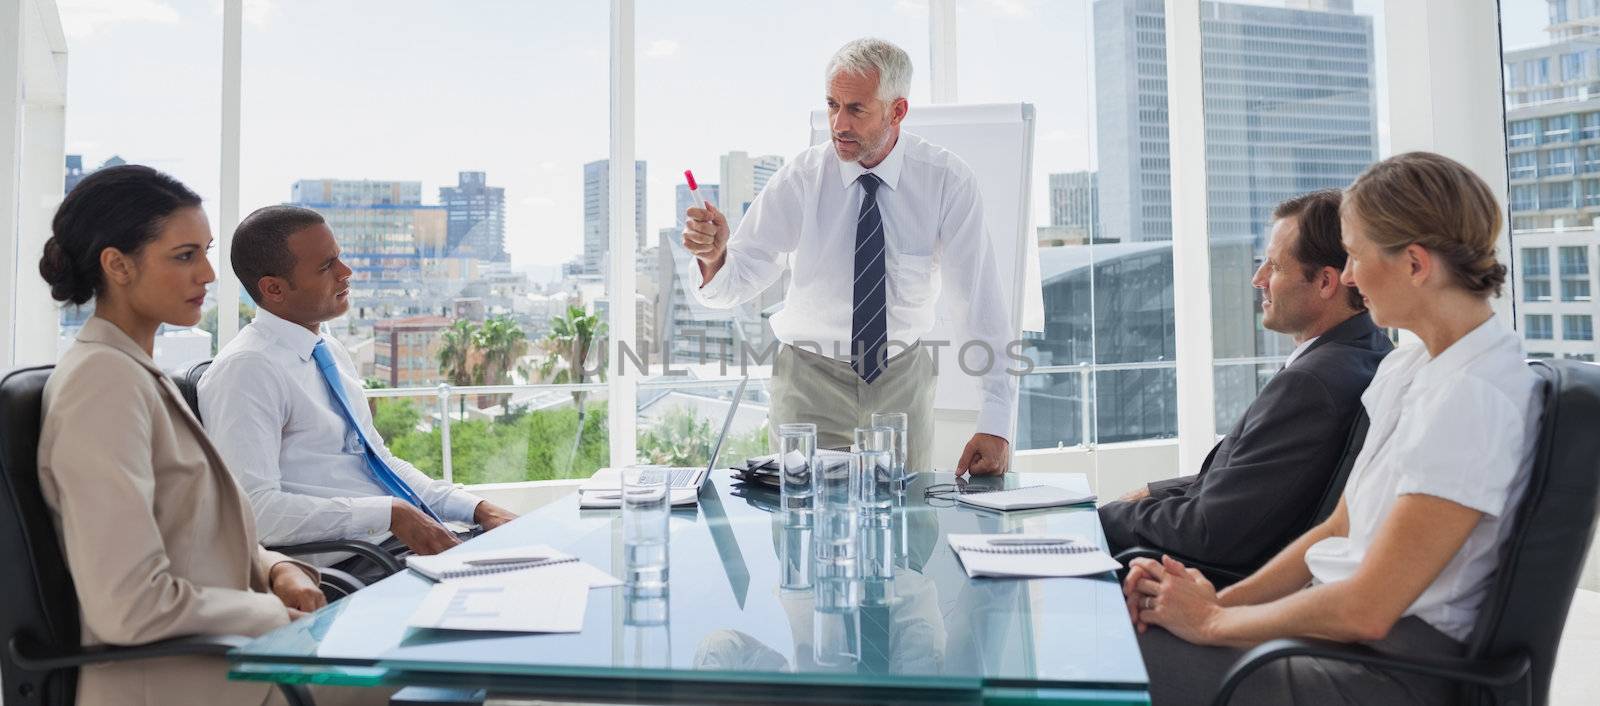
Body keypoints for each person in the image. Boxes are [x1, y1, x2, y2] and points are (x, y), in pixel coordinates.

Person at [1123, 152, 1541, 705]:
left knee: (1103, 656)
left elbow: (1369, 608)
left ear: (1415, 265)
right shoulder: (1409, 367)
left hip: (1385, 670)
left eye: (1357, 257)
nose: (1346, 277)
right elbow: (1342, 525)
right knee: (1117, 634)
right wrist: (1223, 604)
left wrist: (1211, 625)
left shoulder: (1474, 398)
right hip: (1334, 636)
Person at [35, 165, 379, 706]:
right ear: (117, 265)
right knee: (432, 675)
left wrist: (277, 565)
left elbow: (198, 529)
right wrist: (269, 612)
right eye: (185, 256)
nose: (210, 274)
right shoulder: (103, 385)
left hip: (230, 657)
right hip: (192, 679)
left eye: (206, 251)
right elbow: (128, 605)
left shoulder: (138, 373)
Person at [682, 38, 1017, 475]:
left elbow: (979, 301)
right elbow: (735, 281)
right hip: (808, 383)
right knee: (803, 528)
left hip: (901, 382)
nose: (838, 122)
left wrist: (996, 420)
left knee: (903, 530)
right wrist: (715, 255)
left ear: (897, 111)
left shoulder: (946, 181)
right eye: (831, 105)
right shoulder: (801, 178)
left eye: (856, 109)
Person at [199, 205, 517, 580]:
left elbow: (378, 461)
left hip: (395, 546)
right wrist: (390, 513)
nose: (345, 273)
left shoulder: (327, 350)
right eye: (326, 266)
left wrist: (476, 508)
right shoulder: (248, 369)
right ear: (273, 288)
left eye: (340, 258)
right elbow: (255, 512)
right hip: (353, 565)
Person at [1098, 190, 1392, 572]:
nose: (1258, 279)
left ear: (1325, 282)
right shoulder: (1366, 352)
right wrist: (1153, 493)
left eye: (1274, 266)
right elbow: (1254, 483)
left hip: (1214, 581)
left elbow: (1210, 530)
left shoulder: (1310, 383)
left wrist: (1104, 519)